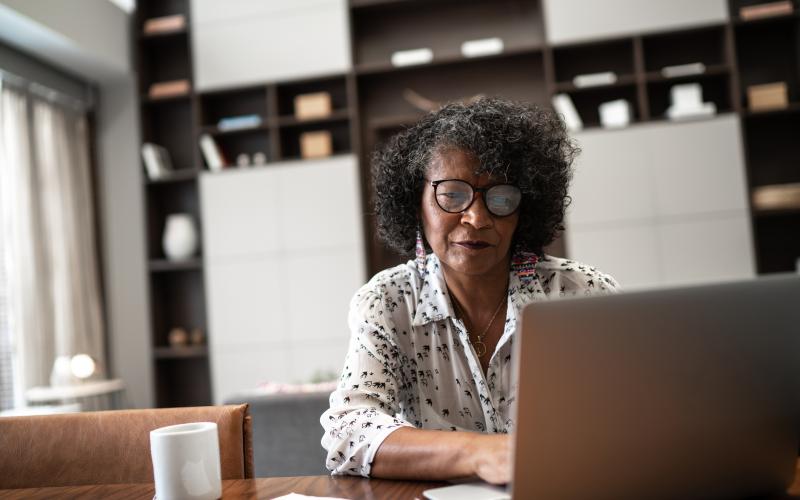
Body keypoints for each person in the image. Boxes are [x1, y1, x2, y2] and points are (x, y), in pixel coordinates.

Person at [320, 97, 619, 484]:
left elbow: (634, 418)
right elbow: (349, 431)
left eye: (500, 198)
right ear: (417, 203)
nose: (476, 218)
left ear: (523, 211)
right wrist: (482, 453)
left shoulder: (582, 294)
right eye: (452, 194)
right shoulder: (389, 302)